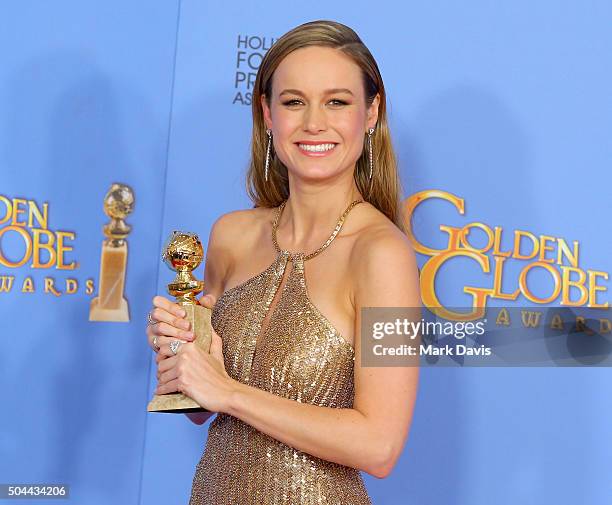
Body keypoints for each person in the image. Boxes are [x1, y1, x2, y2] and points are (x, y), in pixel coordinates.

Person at [145, 19, 421, 505]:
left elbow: (380, 446)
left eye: (337, 101)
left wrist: (229, 392)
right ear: (267, 114)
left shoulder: (384, 255)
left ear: (372, 112)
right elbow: (199, 410)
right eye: (294, 101)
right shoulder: (230, 235)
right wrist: (180, 356)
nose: (315, 122)